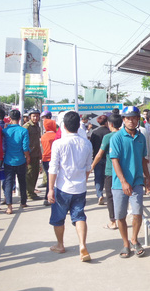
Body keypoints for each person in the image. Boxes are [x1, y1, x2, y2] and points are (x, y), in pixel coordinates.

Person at [47, 111, 93, 262]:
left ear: (64, 125)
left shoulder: (59, 143)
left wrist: (50, 189)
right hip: (80, 187)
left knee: (58, 218)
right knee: (79, 216)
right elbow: (88, 167)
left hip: (62, 187)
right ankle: (82, 245)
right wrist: (83, 181)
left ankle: (60, 244)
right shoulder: (86, 143)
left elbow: (53, 168)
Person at [109, 106, 150, 258]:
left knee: (138, 212)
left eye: (134, 118)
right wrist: (123, 182)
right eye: (128, 118)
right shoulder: (116, 138)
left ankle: (134, 239)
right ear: (123, 120)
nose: (131, 121)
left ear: (138, 119)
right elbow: (115, 160)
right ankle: (125, 243)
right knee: (120, 216)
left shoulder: (141, 137)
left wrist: (148, 177)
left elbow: (143, 159)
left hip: (137, 181)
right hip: (119, 184)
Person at [91, 113, 122, 230]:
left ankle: (113, 221)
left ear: (110, 124)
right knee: (122, 195)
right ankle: (121, 219)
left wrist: (92, 166)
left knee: (110, 196)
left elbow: (99, 154)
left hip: (110, 170)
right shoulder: (124, 135)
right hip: (123, 170)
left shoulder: (108, 137)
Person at [2, 110, 30, 213]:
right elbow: (25, 147)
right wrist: (28, 157)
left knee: (9, 182)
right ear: (20, 118)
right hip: (20, 160)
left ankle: (9, 206)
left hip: (8, 160)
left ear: (9, 118)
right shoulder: (23, 131)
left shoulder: (5, 131)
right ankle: (23, 202)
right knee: (22, 181)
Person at [90, 115, 110, 205]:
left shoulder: (95, 133)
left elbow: (92, 147)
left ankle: (99, 194)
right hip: (108, 158)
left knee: (98, 178)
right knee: (108, 177)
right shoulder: (109, 133)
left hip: (97, 159)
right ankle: (109, 194)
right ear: (106, 122)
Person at [23, 109, 42, 201]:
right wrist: (27, 155)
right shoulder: (27, 127)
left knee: (35, 174)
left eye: (37, 116)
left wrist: (40, 153)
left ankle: (32, 191)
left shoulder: (37, 126)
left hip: (36, 154)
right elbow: (24, 142)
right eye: (33, 116)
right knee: (29, 175)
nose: (35, 118)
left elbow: (38, 141)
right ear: (30, 116)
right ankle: (29, 193)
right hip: (29, 155)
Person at [41, 119, 57, 206]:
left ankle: (46, 197)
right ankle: (52, 196)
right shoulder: (56, 135)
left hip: (45, 159)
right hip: (54, 159)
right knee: (55, 179)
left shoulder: (43, 136)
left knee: (48, 178)